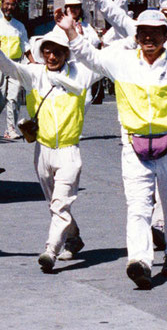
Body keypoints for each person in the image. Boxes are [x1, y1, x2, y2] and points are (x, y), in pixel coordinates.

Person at [55, 6, 167, 289]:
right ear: (137, 35)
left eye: (155, 33)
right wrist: (69, 30)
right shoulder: (122, 61)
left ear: (166, 34)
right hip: (133, 146)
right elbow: (90, 57)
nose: (148, 38)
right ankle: (139, 261)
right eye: (143, 33)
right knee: (138, 206)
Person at [0, 30, 98, 271]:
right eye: (48, 51)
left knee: (60, 205)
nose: (52, 56)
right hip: (43, 152)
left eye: (57, 51)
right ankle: (74, 238)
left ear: (66, 54)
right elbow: (7, 66)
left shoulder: (82, 75)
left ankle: (50, 250)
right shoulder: (34, 75)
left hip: (68, 151)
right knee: (55, 203)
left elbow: (103, 61)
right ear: (41, 53)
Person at [0, 0, 33, 139]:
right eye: (6, 4)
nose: (9, 7)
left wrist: (33, 62)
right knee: (0, 98)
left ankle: (10, 130)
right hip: (0, 64)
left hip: (15, 64)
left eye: (12, 4)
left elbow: (25, 45)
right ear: (1, 4)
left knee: (13, 97)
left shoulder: (19, 26)